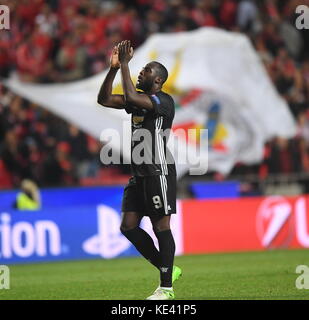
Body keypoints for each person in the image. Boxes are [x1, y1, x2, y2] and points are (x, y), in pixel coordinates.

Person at [97, 40, 182, 300]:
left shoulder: (164, 101)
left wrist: (125, 64)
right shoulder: (138, 102)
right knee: (128, 226)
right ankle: (167, 267)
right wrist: (114, 69)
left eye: (146, 70)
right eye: (140, 69)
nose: (140, 72)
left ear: (157, 81)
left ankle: (166, 289)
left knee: (160, 227)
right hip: (139, 173)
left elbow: (132, 96)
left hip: (158, 171)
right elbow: (103, 99)